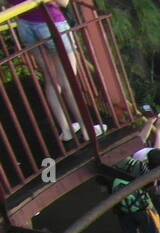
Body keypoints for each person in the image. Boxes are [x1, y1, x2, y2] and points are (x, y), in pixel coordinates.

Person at [8, 0, 105, 145]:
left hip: (25, 25)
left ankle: (66, 130)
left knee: (51, 79)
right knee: (69, 80)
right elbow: (63, 2)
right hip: (51, 23)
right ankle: (87, 130)